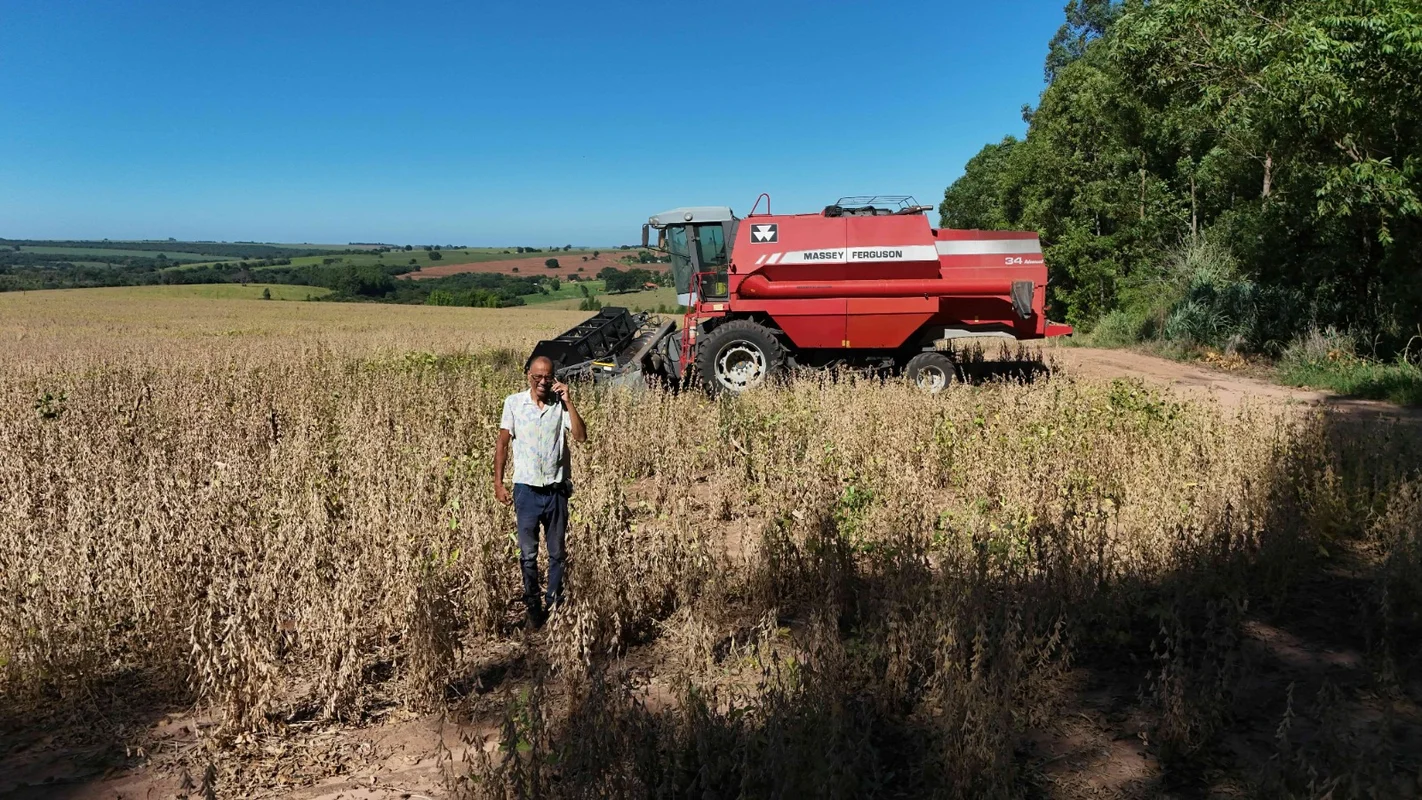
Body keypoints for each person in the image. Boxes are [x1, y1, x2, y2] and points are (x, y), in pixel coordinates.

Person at [494, 356, 587, 628]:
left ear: (555, 378)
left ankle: (555, 604)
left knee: (557, 552)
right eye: (538, 377)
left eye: (548, 377)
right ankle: (533, 606)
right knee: (528, 555)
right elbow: (502, 445)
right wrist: (498, 484)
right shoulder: (513, 404)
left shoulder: (560, 406)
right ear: (528, 377)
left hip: (556, 490)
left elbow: (581, 436)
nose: (543, 382)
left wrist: (569, 401)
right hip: (526, 491)